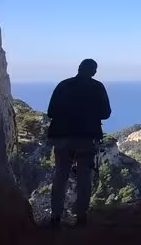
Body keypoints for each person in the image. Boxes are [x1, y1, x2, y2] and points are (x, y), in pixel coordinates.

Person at [46, 59, 111, 227]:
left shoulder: (63, 85)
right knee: (84, 178)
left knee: (60, 176)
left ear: (79, 68)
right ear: (94, 72)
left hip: (62, 138)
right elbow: (105, 114)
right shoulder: (97, 87)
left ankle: (55, 217)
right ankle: (81, 217)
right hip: (86, 138)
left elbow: (51, 111)